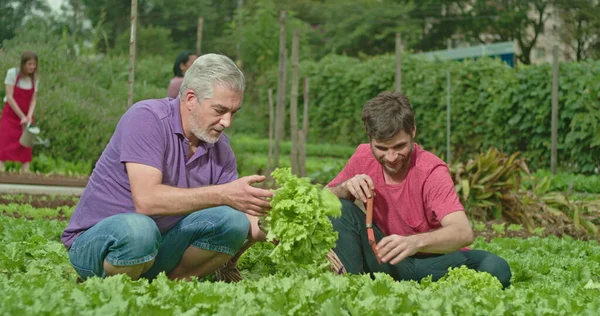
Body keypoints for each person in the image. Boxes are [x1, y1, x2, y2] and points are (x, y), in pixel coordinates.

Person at [62, 53, 272, 282]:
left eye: (234, 113)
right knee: (139, 230)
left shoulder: (221, 150)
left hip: (159, 246)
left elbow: (244, 218)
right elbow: (147, 200)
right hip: (100, 244)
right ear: (191, 98)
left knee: (234, 221)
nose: (227, 122)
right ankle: (114, 289)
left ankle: (168, 286)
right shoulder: (147, 119)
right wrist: (223, 194)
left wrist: (280, 227)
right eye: (219, 111)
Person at [326, 92, 512, 288]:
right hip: (387, 260)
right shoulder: (362, 157)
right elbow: (318, 199)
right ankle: (351, 288)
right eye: (381, 148)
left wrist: (415, 243)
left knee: (496, 267)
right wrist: (343, 188)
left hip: (432, 263)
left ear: (412, 131)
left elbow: (462, 232)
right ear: (370, 138)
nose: (391, 157)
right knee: (339, 206)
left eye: (399, 146)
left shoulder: (431, 170)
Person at [0, 51, 39, 173]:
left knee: (25, 148)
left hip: (26, 119)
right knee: (4, 144)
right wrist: (21, 115)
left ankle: (25, 174)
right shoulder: (12, 73)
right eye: (29, 64)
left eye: (34, 64)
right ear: (23, 64)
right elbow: (9, 97)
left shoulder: (35, 78)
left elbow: (33, 100)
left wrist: (28, 117)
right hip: (11, 116)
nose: (32, 67)